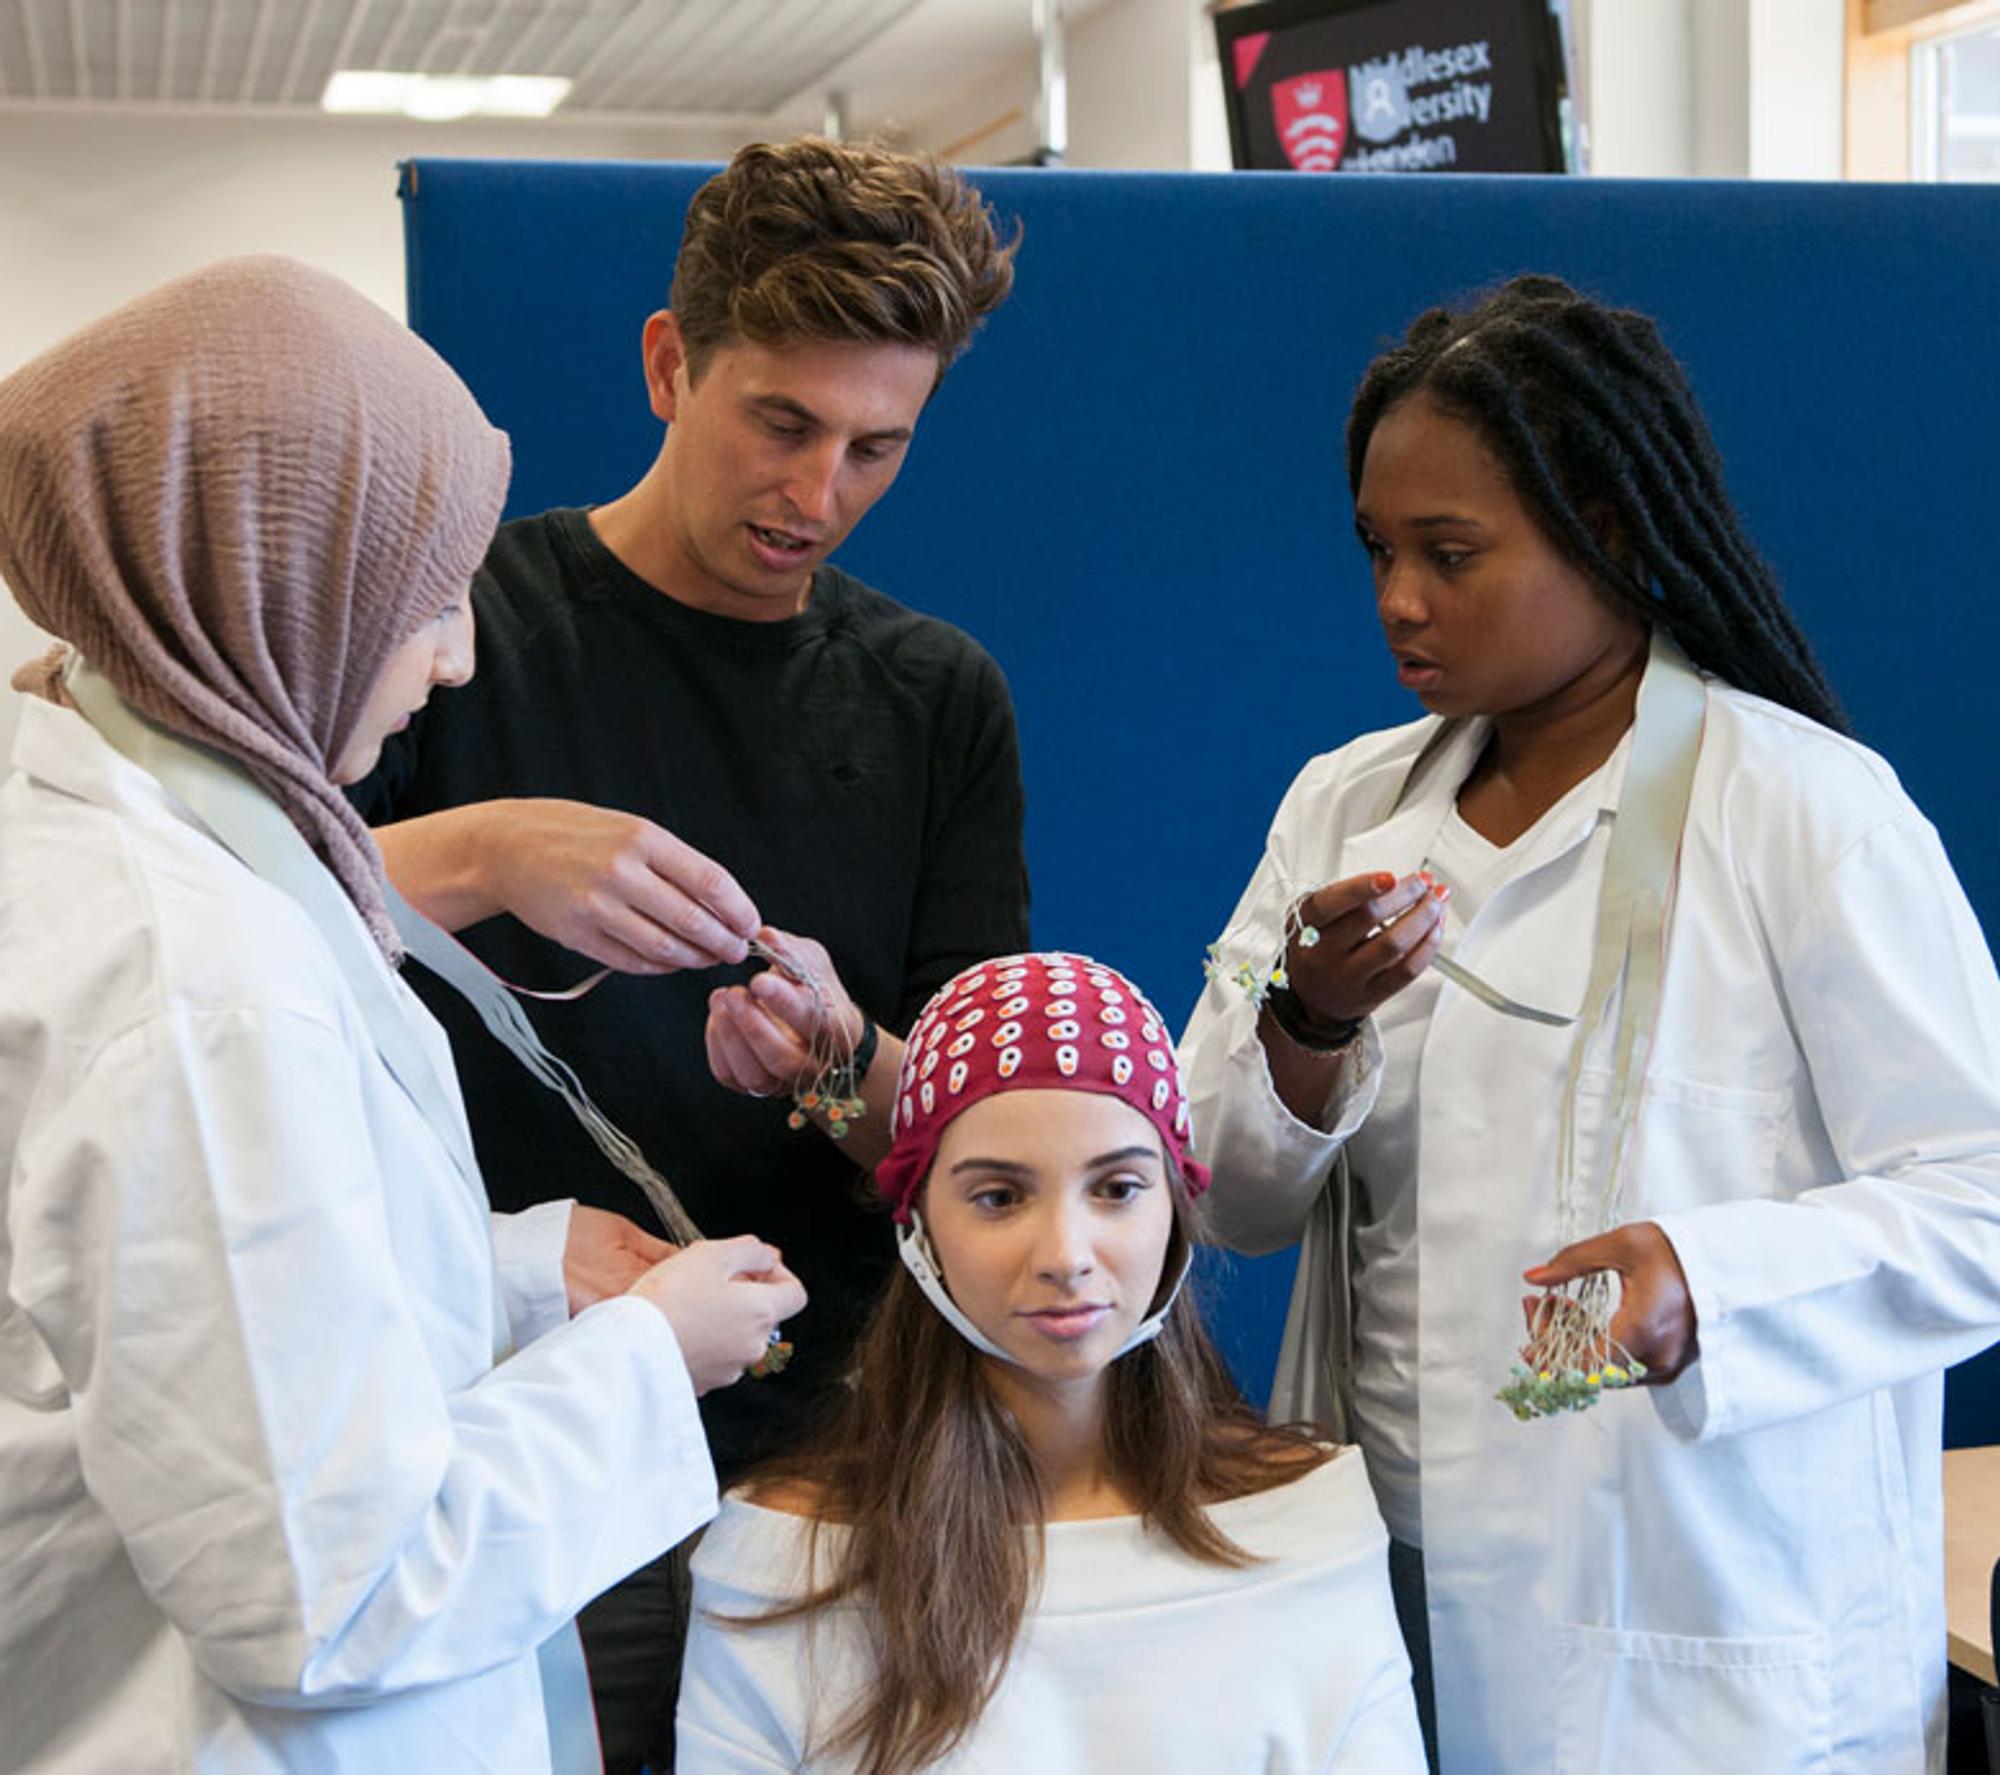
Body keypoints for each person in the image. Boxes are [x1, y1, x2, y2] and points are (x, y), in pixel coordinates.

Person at [1182, 273, 2000, 1773]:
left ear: (1611, 528)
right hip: (1395, 1569)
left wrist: (1706, 1278)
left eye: (1451, 552)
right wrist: (1303, 1019)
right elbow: (1228, 1197)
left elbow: (1983, 1205)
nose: (1398, 600)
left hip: (1694, 1618)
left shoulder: (1803, 810)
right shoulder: (1346, 807)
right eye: (1378, 548)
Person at [0, 256, 805, 1773]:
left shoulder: (103, 823)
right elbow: (337, 1595)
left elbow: (175, 1320)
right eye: (427, 600)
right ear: (273, 595)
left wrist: (500, 1276)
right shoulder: (202, 984)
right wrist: (647, 1352)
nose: (457, 653)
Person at [349, 138, 1027, 1767]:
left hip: (837, 1466)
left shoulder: (934, 701)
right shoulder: (450, 623)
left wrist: (844, 1057)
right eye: (780, 424)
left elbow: (972, 1153)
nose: (817, 495)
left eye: (878, 446)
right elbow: (221, 915)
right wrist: (489, 851)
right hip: (508, 1448)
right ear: (672, 364)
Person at [678, 951, 1425, 1773]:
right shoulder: (781, 1563)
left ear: (1176, 1205)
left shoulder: (1313, 1527)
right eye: (999, 1197)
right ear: (919, 1218)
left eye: (1117, 1189)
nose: (1067, 1254)